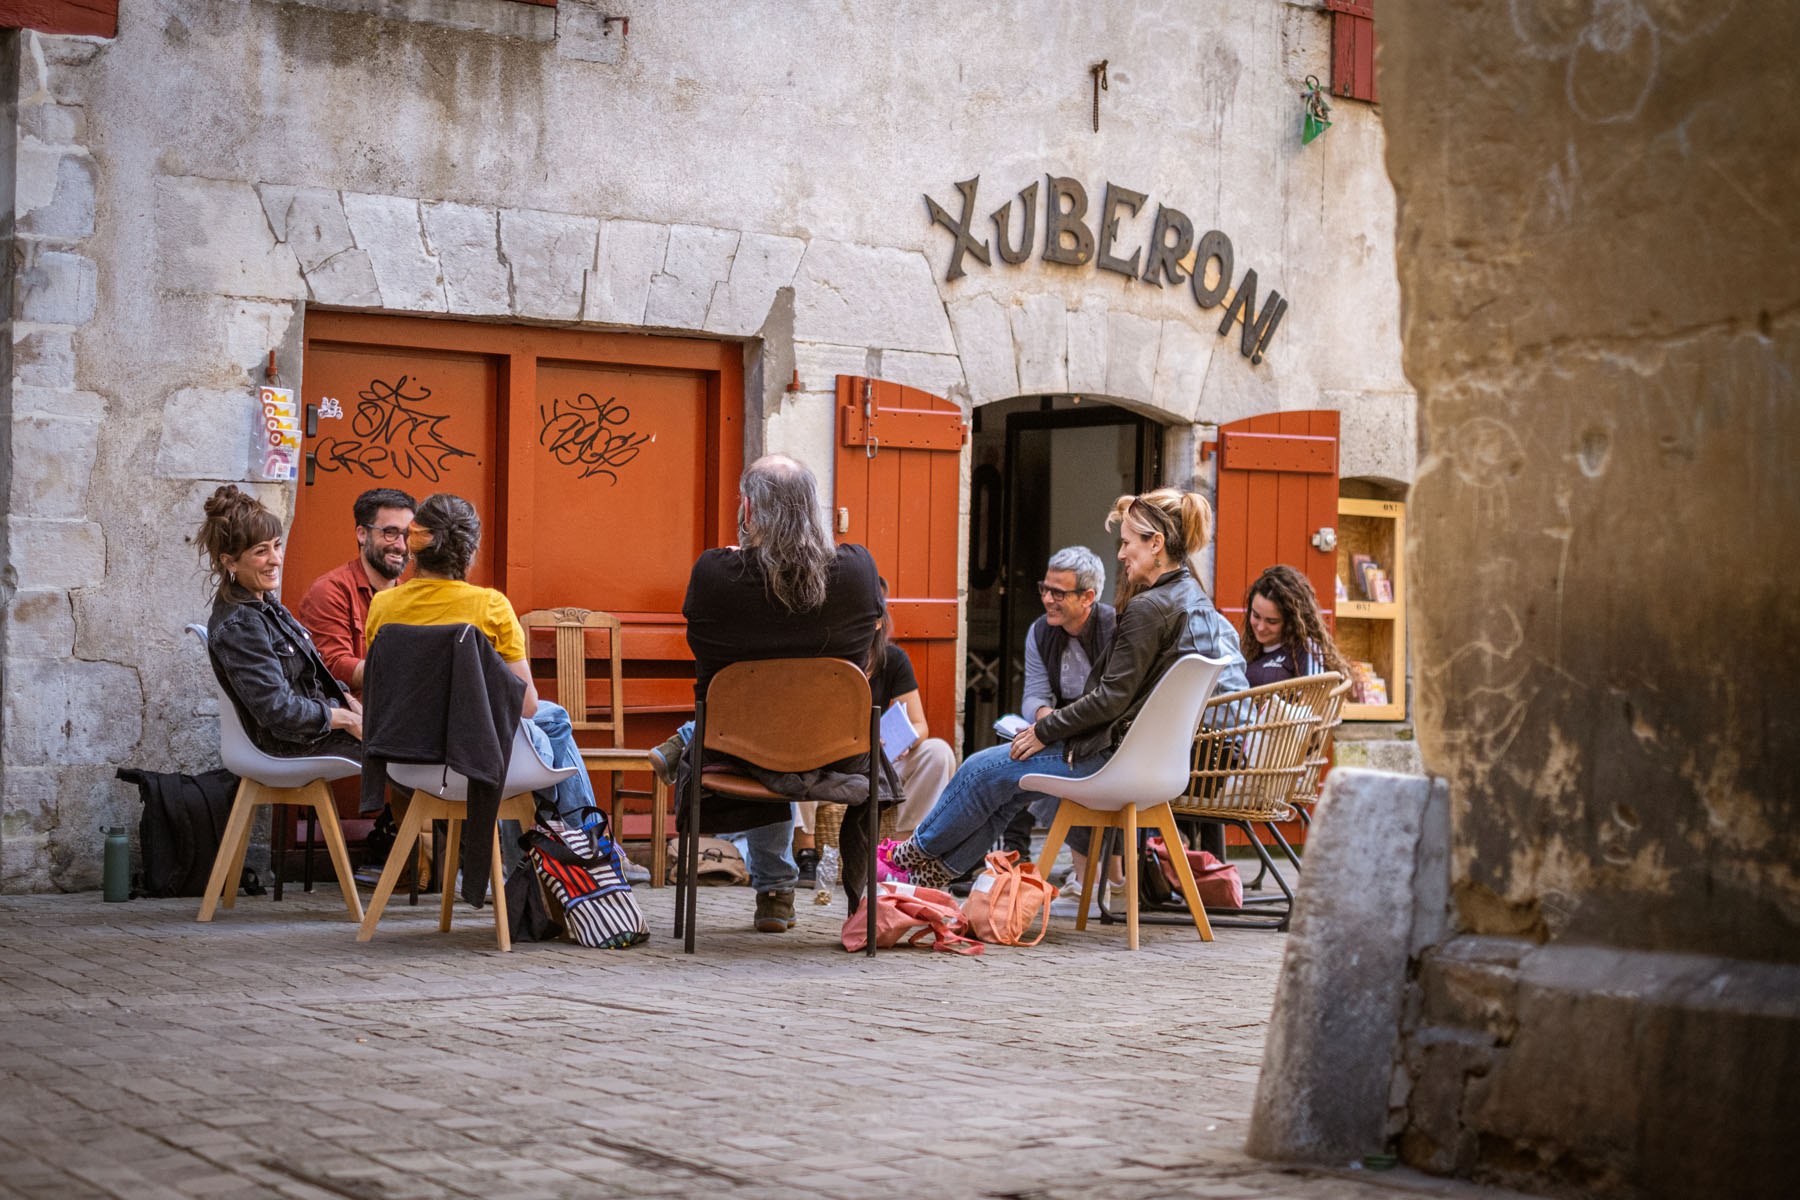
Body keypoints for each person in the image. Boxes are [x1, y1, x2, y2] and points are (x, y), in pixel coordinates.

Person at [880, 487, 1248, 890]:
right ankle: (929, 876)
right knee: (1007, 789)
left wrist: (1043, 730)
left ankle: (904, 856)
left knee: (980, 769)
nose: (1121, 554)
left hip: (1115, 761)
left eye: (1127, 543)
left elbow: (1111, 699)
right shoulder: (1197, 602)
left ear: (1155, 544)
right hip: (1158, 766)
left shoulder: (1148, 608)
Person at [680, 454, 886, 933]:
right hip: (837, 747)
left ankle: (683, 740)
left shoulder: (714, 573)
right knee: (782, 732)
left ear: (749, 510)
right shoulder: (858, 570)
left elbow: (700, 648)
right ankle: (782, 890)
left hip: (736, 748)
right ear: (814, 509)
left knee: (759, 734)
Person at [361, 494, 610, 854]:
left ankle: (558, 845)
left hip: (404, 761)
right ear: (471, 552)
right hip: (474, 758)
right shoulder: (490, 606)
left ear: (413, 545)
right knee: (552, 720)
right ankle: (585, 844)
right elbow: (526, 706)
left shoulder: (382, 605)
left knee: (542, 725)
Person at [198, 484, 363, 761]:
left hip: (314, 729)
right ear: (230, 562)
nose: (275, 559)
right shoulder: (240, 624)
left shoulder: (265, 604)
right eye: (260, 551)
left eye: (277, 545)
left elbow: (312, 677)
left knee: (405, 732)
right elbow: (277, 709)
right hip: (293, 744)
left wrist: (350, 702)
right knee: (404, 752)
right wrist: (346, 719)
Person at [1009, 545, 1124, 900]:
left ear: (1088, 597)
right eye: (1045, 588)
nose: (1047, 599)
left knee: (1072, 767)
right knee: (1021, 756)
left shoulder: (1115, 629)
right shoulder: (1040, 632)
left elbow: (1114, 701)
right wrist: (1047, 720)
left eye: (1058, 593)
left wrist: (1057, 728)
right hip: (1062, 726)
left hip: (1109, 732)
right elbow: (1034, 695)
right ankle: (1087, 877)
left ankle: (1105, 879)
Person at [295, 487, 416, 698]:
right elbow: (334, 667)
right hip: (356, 716)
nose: (401, 546)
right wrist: (413, 669)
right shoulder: (330, 591)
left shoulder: (411, 595)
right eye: (390, 533)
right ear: (362, 534)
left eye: (408, 535)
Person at [1242, 564, 1353, 686]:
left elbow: (1317, 694)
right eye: (1256, 616)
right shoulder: (1248, 648)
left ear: (1291, 621)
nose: (1261, 627)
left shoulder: (1306, 649)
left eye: (1272, 621)